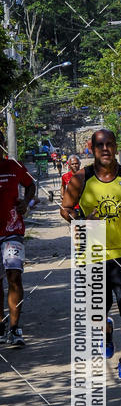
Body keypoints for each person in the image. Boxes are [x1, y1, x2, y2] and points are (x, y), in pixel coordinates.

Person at [61, 128, 121, 379]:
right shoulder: (81, 179)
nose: (105, 149)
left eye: (110, 144)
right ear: (92, 150)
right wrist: (81, 219)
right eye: (100, 145)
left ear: (115, 147)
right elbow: (66, 209)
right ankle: (105, 331)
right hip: (92, 254)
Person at [0, 130, 36, 346]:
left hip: (13, 230)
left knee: (14, 276)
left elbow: (30, 185)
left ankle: (15, 328)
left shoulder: (14, 166)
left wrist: (26, 202)